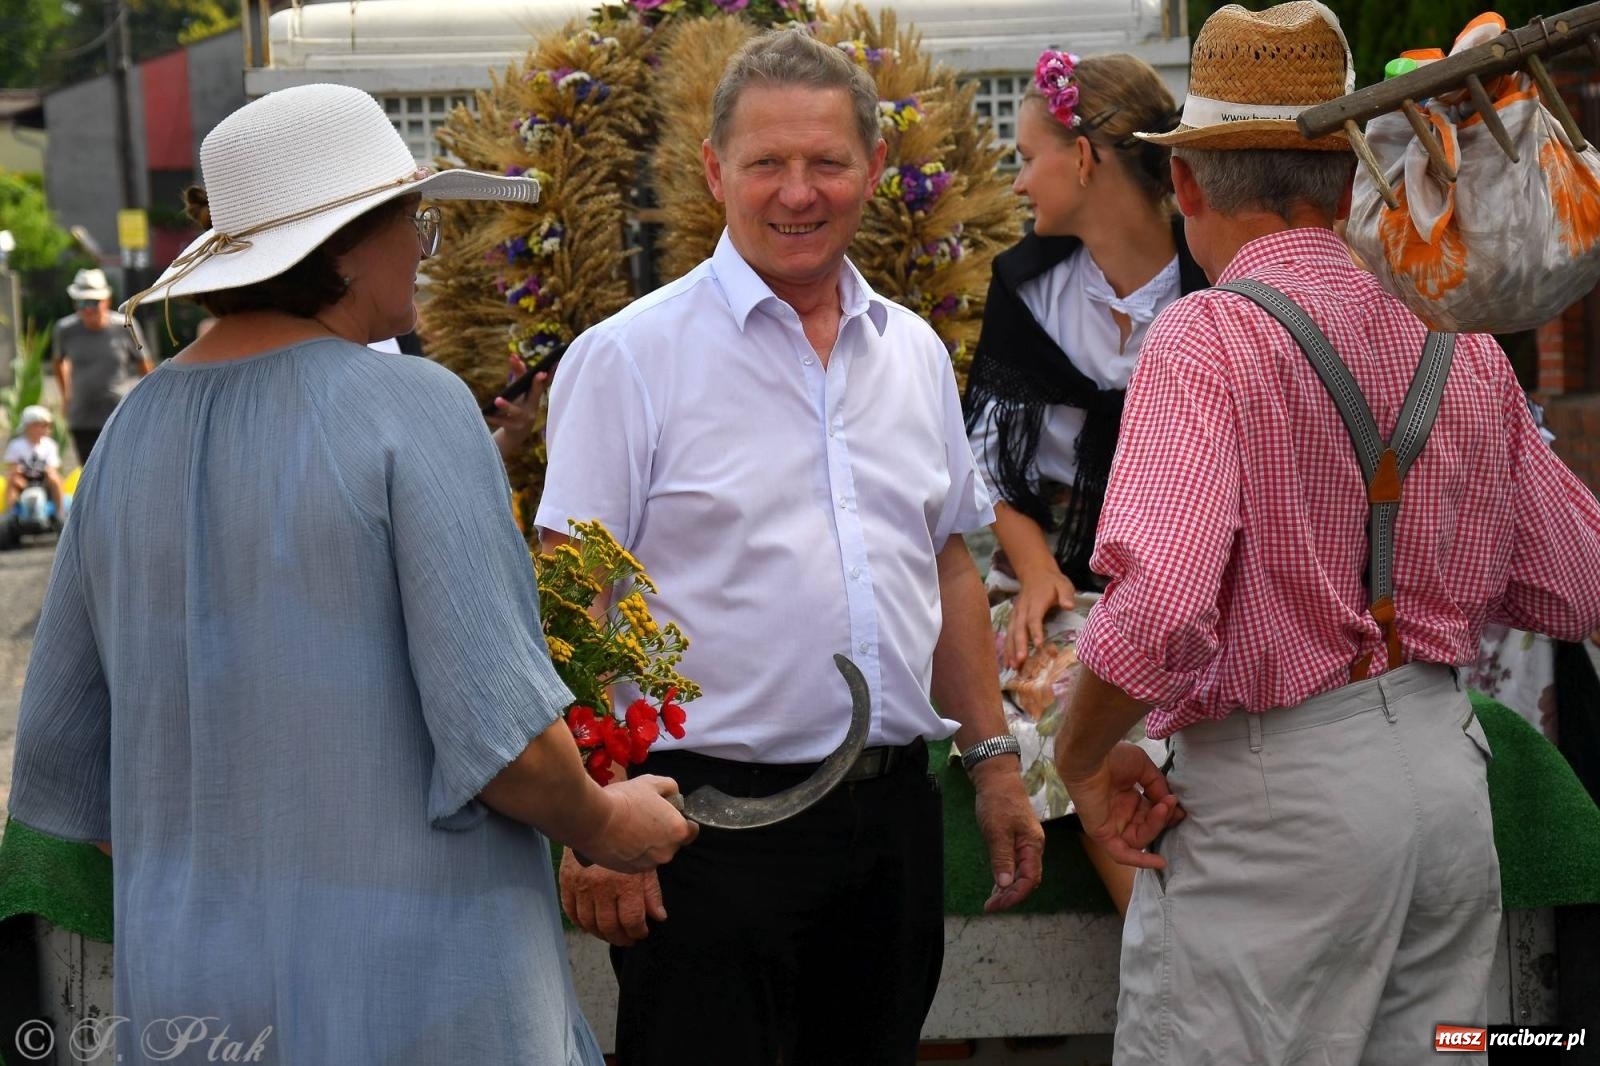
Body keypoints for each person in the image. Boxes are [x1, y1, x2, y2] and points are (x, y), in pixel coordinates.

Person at [7, 83, 695, 1065]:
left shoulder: (127, 434)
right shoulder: (411, 407)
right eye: (411, 219)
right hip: (418, 991)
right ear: (341, 249)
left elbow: (82, 767)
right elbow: (505, 745)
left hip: (196, 1005)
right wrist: (604, 819)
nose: (424, 243)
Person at [1052, 4, 1600, 1063]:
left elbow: (1159, 604)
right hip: (1444, 778)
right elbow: (1579, 580)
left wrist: (1081, 756)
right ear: (1353, 176)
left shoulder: (1205, 336)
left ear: (1186, 183)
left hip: (1278, 805)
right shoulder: (1463, 344)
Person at [537, 28, 1044, 1066]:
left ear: (872, 170)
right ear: (716, 171)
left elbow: (947, 564)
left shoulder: (909, 353)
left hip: (891, 822)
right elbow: (570, 593)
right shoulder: (629, 358)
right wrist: (592, 815)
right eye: (767, 163)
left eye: (826, 162)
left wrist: (992, 765)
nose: (797, 192)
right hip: (704, 830)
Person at [962, 49, 1207, 914]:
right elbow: (988, 463)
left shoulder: (1209, 279)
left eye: (1029, 156)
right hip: (1058, 576)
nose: (1021, 182)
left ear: (1087, 157)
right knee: (1062, 684)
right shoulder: (1027, 290)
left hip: (1197, 579)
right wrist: (1032, 568)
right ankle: (1162, 938)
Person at [52, 267, 153, 465]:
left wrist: (150, 400)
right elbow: (58, 361)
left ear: (106, 301)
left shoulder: (125, 325)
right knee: (89, 473)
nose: (88, 309)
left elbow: (144, 364)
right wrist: (66, 396)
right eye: (82, 303)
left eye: (94, 302)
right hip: (82, 417)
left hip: (120, 415)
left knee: (122, 468)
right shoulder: (65, 330)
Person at [4, 404, 63, 517]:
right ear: (30, 426)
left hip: (43, 482)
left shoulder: (50, 445)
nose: (47, 429)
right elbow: (13, 468)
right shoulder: (16, 445)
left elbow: (52, 468)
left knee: (55, 478)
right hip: (24, 482)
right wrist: (20, 478)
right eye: (43, 425)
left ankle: (60, 513)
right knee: (13, 479)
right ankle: (10, 514)